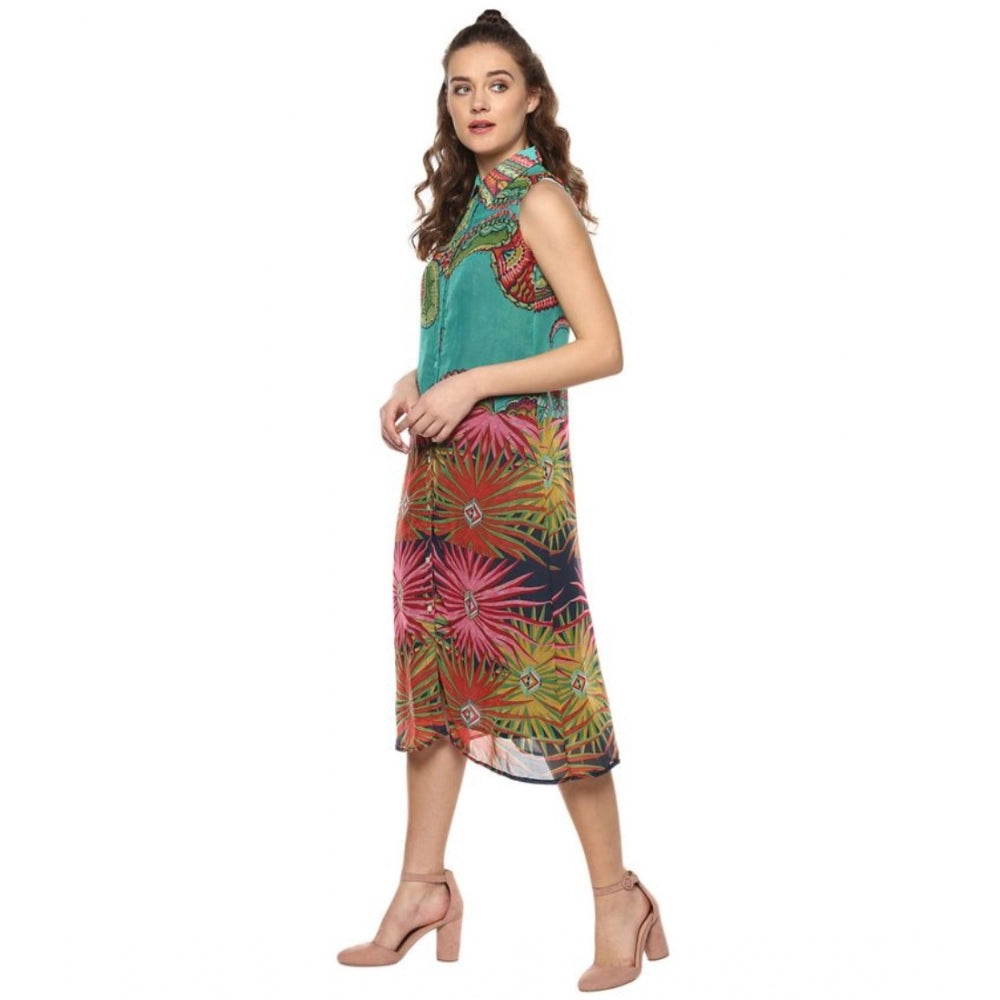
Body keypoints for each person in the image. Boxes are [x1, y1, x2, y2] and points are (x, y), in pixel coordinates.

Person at [337, 10, 669, 992]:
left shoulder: (539, 200)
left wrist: (473, 385)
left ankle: (617, 896)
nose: (477, 102)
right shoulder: (463, 213)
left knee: (550, 688)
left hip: (514, 484)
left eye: (495, 84)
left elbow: (602, 347)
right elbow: (483, 333)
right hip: (440, 481)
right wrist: (415, 379)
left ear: (531, 99)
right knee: (434, 683)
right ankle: (421, 888)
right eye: (460, 86)